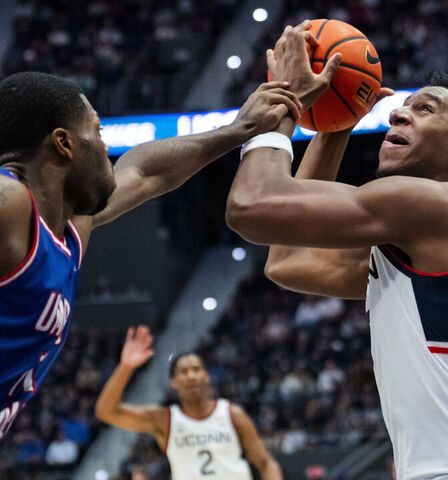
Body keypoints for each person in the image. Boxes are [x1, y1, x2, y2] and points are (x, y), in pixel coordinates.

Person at [225, 22, 448, 479]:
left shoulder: (438, 205)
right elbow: (287, 260)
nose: (399, 114)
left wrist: (283, 100)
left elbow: (251, 206)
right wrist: (334, 123)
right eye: (401, 107)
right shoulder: (422, 238)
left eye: (425, 109)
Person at [0, 71, 302, 438]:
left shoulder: (67, 229)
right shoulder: (10, 201)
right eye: (97, 132)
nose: (104, 146)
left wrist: (240, 130)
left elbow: (145, 172)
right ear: (64, 144)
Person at [95, 325, 283, 480]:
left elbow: (266, 463)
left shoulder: (233, 414)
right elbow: (106, 412)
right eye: (184, 371)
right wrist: (125, 367)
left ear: (206, 376)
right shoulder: (164, 419)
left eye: (196, 369)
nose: (191, 375)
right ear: (174, 382)